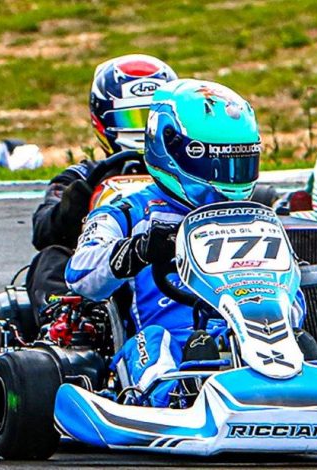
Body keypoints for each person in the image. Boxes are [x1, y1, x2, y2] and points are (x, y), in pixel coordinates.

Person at [65, 79, 301, 406]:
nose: (228, 177)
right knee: (154, 342)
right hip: (170, 344)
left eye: (239, 163)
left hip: (251, 338)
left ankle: (311, 390)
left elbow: (295, 297)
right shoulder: (129, 212)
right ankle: (172, 401)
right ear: (170, 149)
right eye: (216, 162)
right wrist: (137, 250)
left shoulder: (257, 220)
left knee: (303, 337)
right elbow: (79, 274)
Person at [26, 54, 177, 312]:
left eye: (152, 119)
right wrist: (84, 194)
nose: (144, 130)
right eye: (132, 119)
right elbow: (44, 231)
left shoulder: (191, 173)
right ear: (103, 123)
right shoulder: (82, 176)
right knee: (50, 257)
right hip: (103, 276)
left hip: (174, 262)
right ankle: (65, 317)